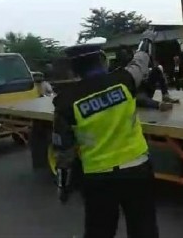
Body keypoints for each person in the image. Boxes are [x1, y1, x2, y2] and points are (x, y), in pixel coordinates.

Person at [52, 42, 159, 238]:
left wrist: (63, 187)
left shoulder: (66, 102)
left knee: (99, 231)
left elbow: (64, 151)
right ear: (102, 61)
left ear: (73, 68)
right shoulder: (124, 80)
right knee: (144, 228)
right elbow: (140, 62)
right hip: (137, 170)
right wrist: (146, 41)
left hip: (97, 177)